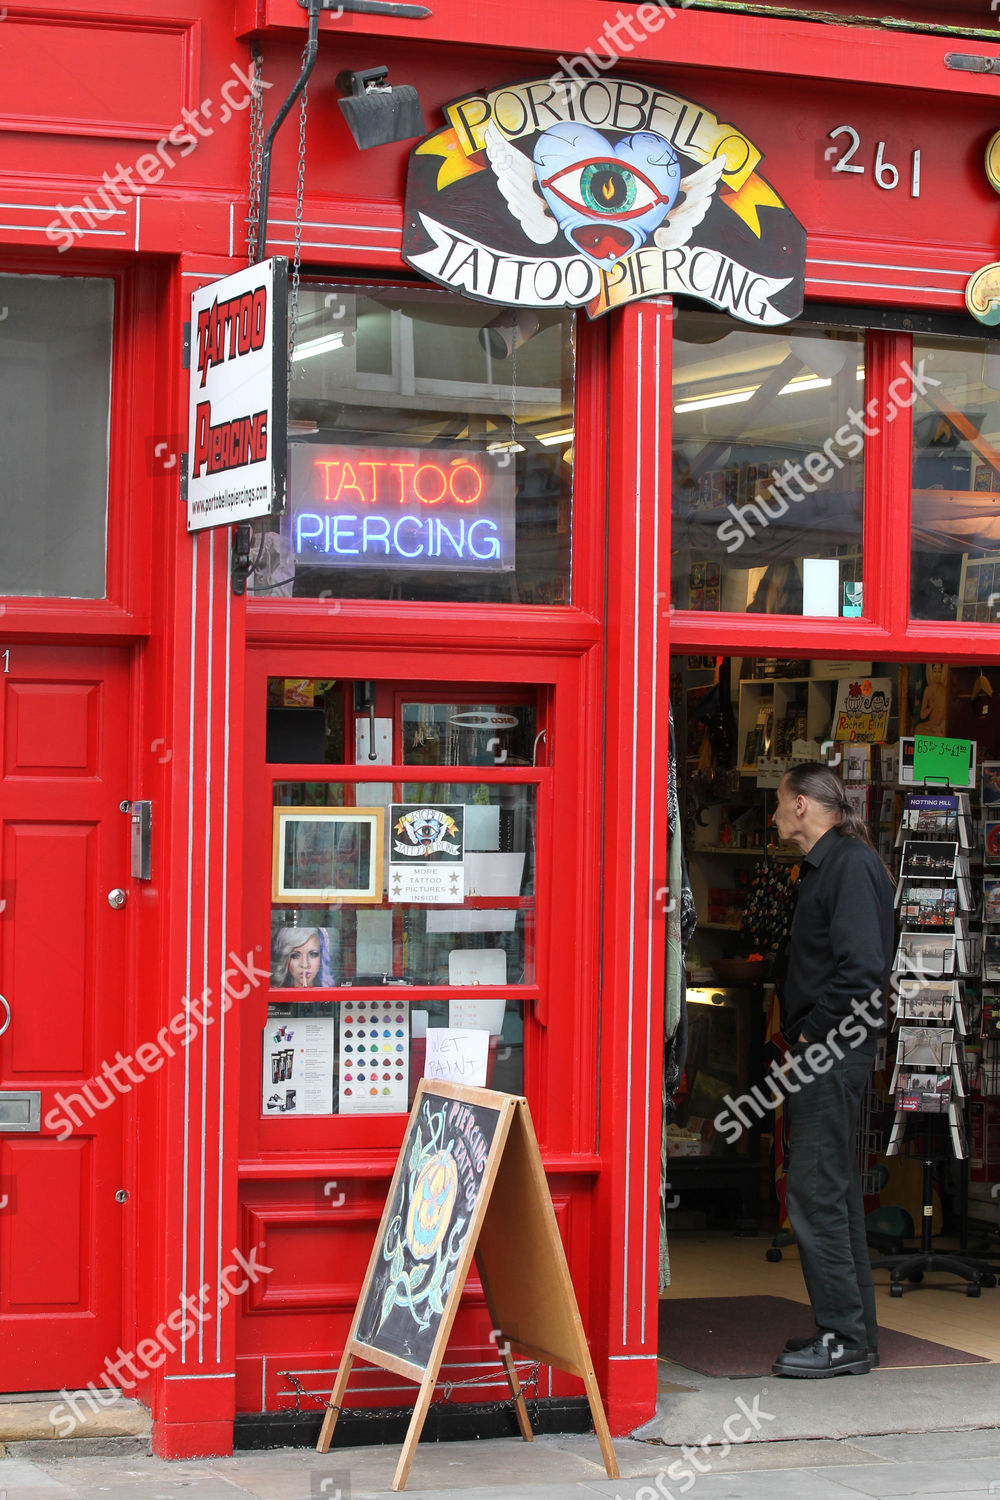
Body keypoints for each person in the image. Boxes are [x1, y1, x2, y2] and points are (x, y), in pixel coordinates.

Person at [769, 763, 894, 1379]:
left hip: (832, 1052)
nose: (772, 816)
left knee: (815, 1194)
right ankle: (855, 1333)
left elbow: (861, 970)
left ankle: (842, 1335)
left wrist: (812, 1035)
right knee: (835, 1195)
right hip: (834, 1050)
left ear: (801, 805)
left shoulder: (845, 865)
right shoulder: (839, 863)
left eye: (777, 802)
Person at [270, 926, 335, 988]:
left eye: (313, 954)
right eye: (295, 956)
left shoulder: (331, 998)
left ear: (322, 957)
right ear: (286, 958)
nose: (305, 965)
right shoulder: (276, 998)